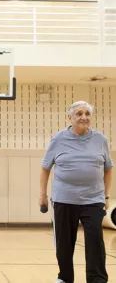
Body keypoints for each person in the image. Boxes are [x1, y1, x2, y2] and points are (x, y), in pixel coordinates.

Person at [39, 101, 113, 283]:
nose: (84, 117)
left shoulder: (100, 139)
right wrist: (42, 195)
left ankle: (97, 279)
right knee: (64, 242)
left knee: (95, 240)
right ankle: (64, 277)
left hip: (93, 199)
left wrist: (106, 196)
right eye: (79, 113)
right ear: (69, 117)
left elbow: (108, 168)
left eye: (87, 113)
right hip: (64, 199)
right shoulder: (58, 139)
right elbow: (45, 167)